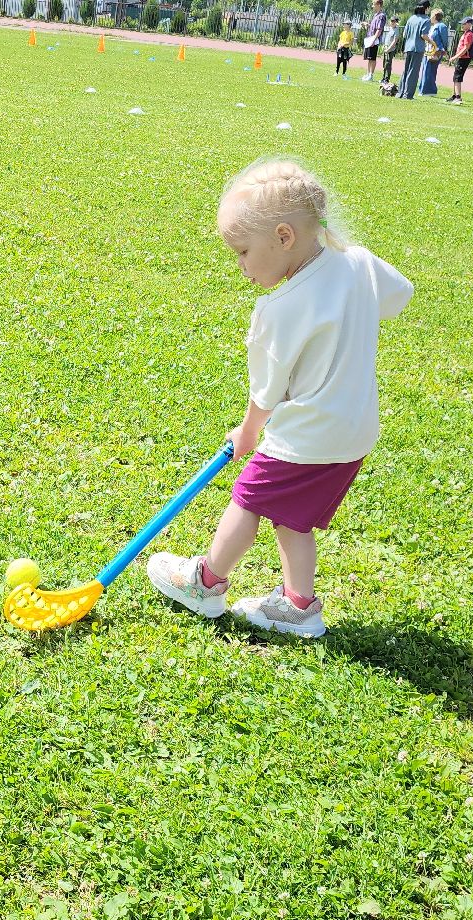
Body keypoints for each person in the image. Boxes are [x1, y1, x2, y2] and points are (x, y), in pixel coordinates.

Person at [148, 158, 414, 638]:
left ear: (284, 237)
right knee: (293, 518)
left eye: (244, 251)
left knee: (247, 502)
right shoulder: (359, 263)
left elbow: (266, 391)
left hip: (306, 436)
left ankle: (205, 585)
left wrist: (248, 433)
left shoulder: (279, 307)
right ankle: (298, 606)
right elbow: (400, 295)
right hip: (353, 434)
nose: (242, 266)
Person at [401, 2, 430, 99]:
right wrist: (432, 42)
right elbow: (423, 35)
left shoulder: (411, 18)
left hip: (408, 47)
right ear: (427, 8)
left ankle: (400, 92)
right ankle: (408, 95)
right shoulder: (426, 20)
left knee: (405, 71)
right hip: (417, 49)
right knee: (413, 72)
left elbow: (404, 34)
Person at [421, 9, 450, 98]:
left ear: (435, 16)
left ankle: (430, 91)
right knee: (425, 70)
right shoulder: (432, 26)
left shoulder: (442, 26)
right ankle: (423, 90)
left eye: (431, 15)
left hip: (436, 52)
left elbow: (444, 41)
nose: (430, 17)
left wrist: (441, 51)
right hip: (428, 51)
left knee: (430, 71)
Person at [446, 15, 473, 103]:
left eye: (464, 24)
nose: (462, 25)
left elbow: (466, 48)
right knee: (455, 77)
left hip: (464, 58)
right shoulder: (465, 33)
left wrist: (455, 57)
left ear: (469, 24)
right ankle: (454, 95)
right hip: (461, 57)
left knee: (458, 77)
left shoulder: (469, 34)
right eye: (462, 24)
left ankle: (458, 97)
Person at [363, 0, 387, 81]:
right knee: (369, 58)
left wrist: (374, 39)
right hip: (370, 39)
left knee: (372, 58)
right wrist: (368, 25)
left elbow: (379, 29)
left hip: (374, 40)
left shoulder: (381, 16)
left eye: (374, 4)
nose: (372, 6)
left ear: (379, 5)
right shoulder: (375, 15)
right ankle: (368, 74)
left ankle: (371, 75)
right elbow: (374, 27)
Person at [380, 15, 402, 87]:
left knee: (388, 64)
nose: (392, 22)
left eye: (394, 21)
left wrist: (388, 49)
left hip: (390, 50)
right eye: (391, 21)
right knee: (384, 64)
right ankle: (383, 78)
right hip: (386, 48)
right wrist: (384, 47)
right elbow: (387, 39)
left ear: (396, 22)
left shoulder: (396, 30)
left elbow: (394, 41)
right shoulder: (390, 29)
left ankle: (386, 79)